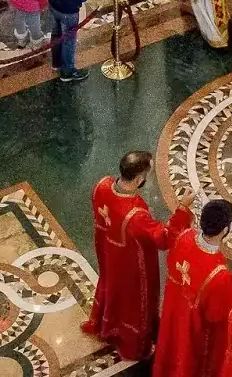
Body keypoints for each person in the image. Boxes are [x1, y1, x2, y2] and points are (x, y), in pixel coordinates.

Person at [82, 151, 193, 358]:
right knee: (134, 304)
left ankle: (107, 326)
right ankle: (133, 344)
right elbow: (164, 238)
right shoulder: (136, 215)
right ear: (139, 179)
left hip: (109, 256)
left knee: (113, 291)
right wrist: (183, 209)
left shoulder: (102, 185)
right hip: (133, 268)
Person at [155, 199, 232, 377]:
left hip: (171, 313)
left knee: (169, 349)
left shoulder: (184, 236)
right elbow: (219, 314)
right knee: (185, 362)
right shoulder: (220, 273)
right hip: (192, 331)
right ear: (225, 230)